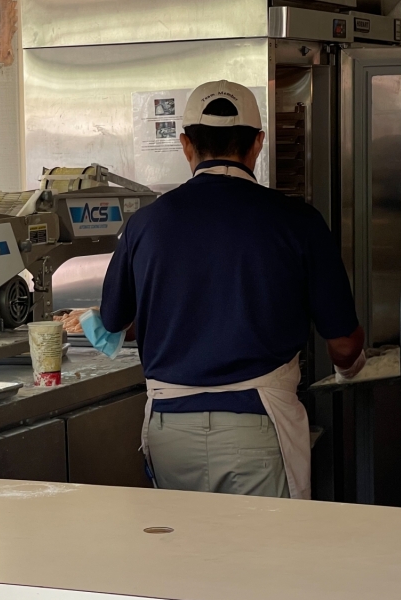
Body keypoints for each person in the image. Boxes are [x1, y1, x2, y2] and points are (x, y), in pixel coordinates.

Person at [90, 80, 365, 499]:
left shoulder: (144, 225)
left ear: (185, 144)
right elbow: (343, 344)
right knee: (260, 560)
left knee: (183, 558)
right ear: (258, 144)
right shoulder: (297, 221)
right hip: (257, 427)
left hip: (168, 431)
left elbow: (112, 323)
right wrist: (352, 369)